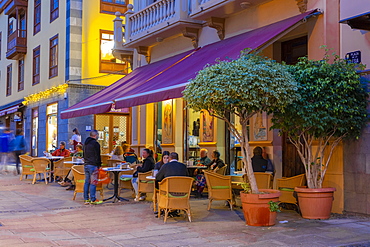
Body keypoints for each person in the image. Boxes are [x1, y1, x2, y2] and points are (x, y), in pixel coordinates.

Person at [155, 152, 188, 218]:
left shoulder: (165, 166)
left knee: (160, 188)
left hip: (169, 192)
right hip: (182, 192)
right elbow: (187, 177)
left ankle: (164, 208)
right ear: (178, 158)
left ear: (169, 158)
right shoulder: (183, 166)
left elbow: (158, 177)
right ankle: (176, 209)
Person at [83, 130, 103, 205]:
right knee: (93, 182)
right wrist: (99, 165)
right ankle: (93, 199)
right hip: (93, 164)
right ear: (95, 135)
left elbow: (84, 154)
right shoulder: (95, 144)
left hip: (86, 164)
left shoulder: (86, 143)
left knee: (87, 182)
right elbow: (98, 155)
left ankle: (86, 198)